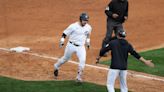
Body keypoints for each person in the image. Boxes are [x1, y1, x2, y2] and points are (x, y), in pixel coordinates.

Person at [54, 12, 92, 82]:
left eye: (86, 20)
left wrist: (88, 43)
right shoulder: (73, 26)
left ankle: (78, 77)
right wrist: (62, 41)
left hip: (81, 47)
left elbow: (88, 36)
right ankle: (56, 66)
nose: (85, 22)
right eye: (84, 20)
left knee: (82, 60)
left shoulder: (88, 27)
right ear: (80, 20)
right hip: (71, 45)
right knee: (65, 59)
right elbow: (64, 34)